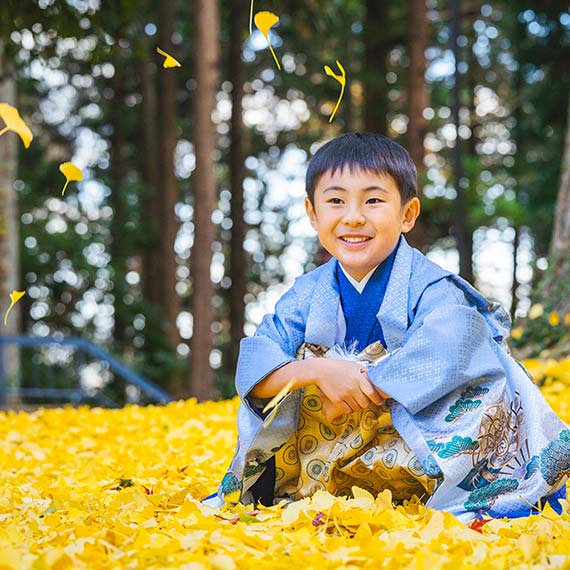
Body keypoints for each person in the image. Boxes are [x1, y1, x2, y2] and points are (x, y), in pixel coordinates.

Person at [201, 133, 568, 523]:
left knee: (485, 372)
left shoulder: (432, 285)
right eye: (336, 200)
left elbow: (454, 346)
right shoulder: (305, 294)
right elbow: (257, 365)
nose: (354, 216)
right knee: (295, 370)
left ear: (407, 214)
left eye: (373, 200)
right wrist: (319, 371)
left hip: (415, 435)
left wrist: (365, 382)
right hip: (329, 443)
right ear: (312, 214)